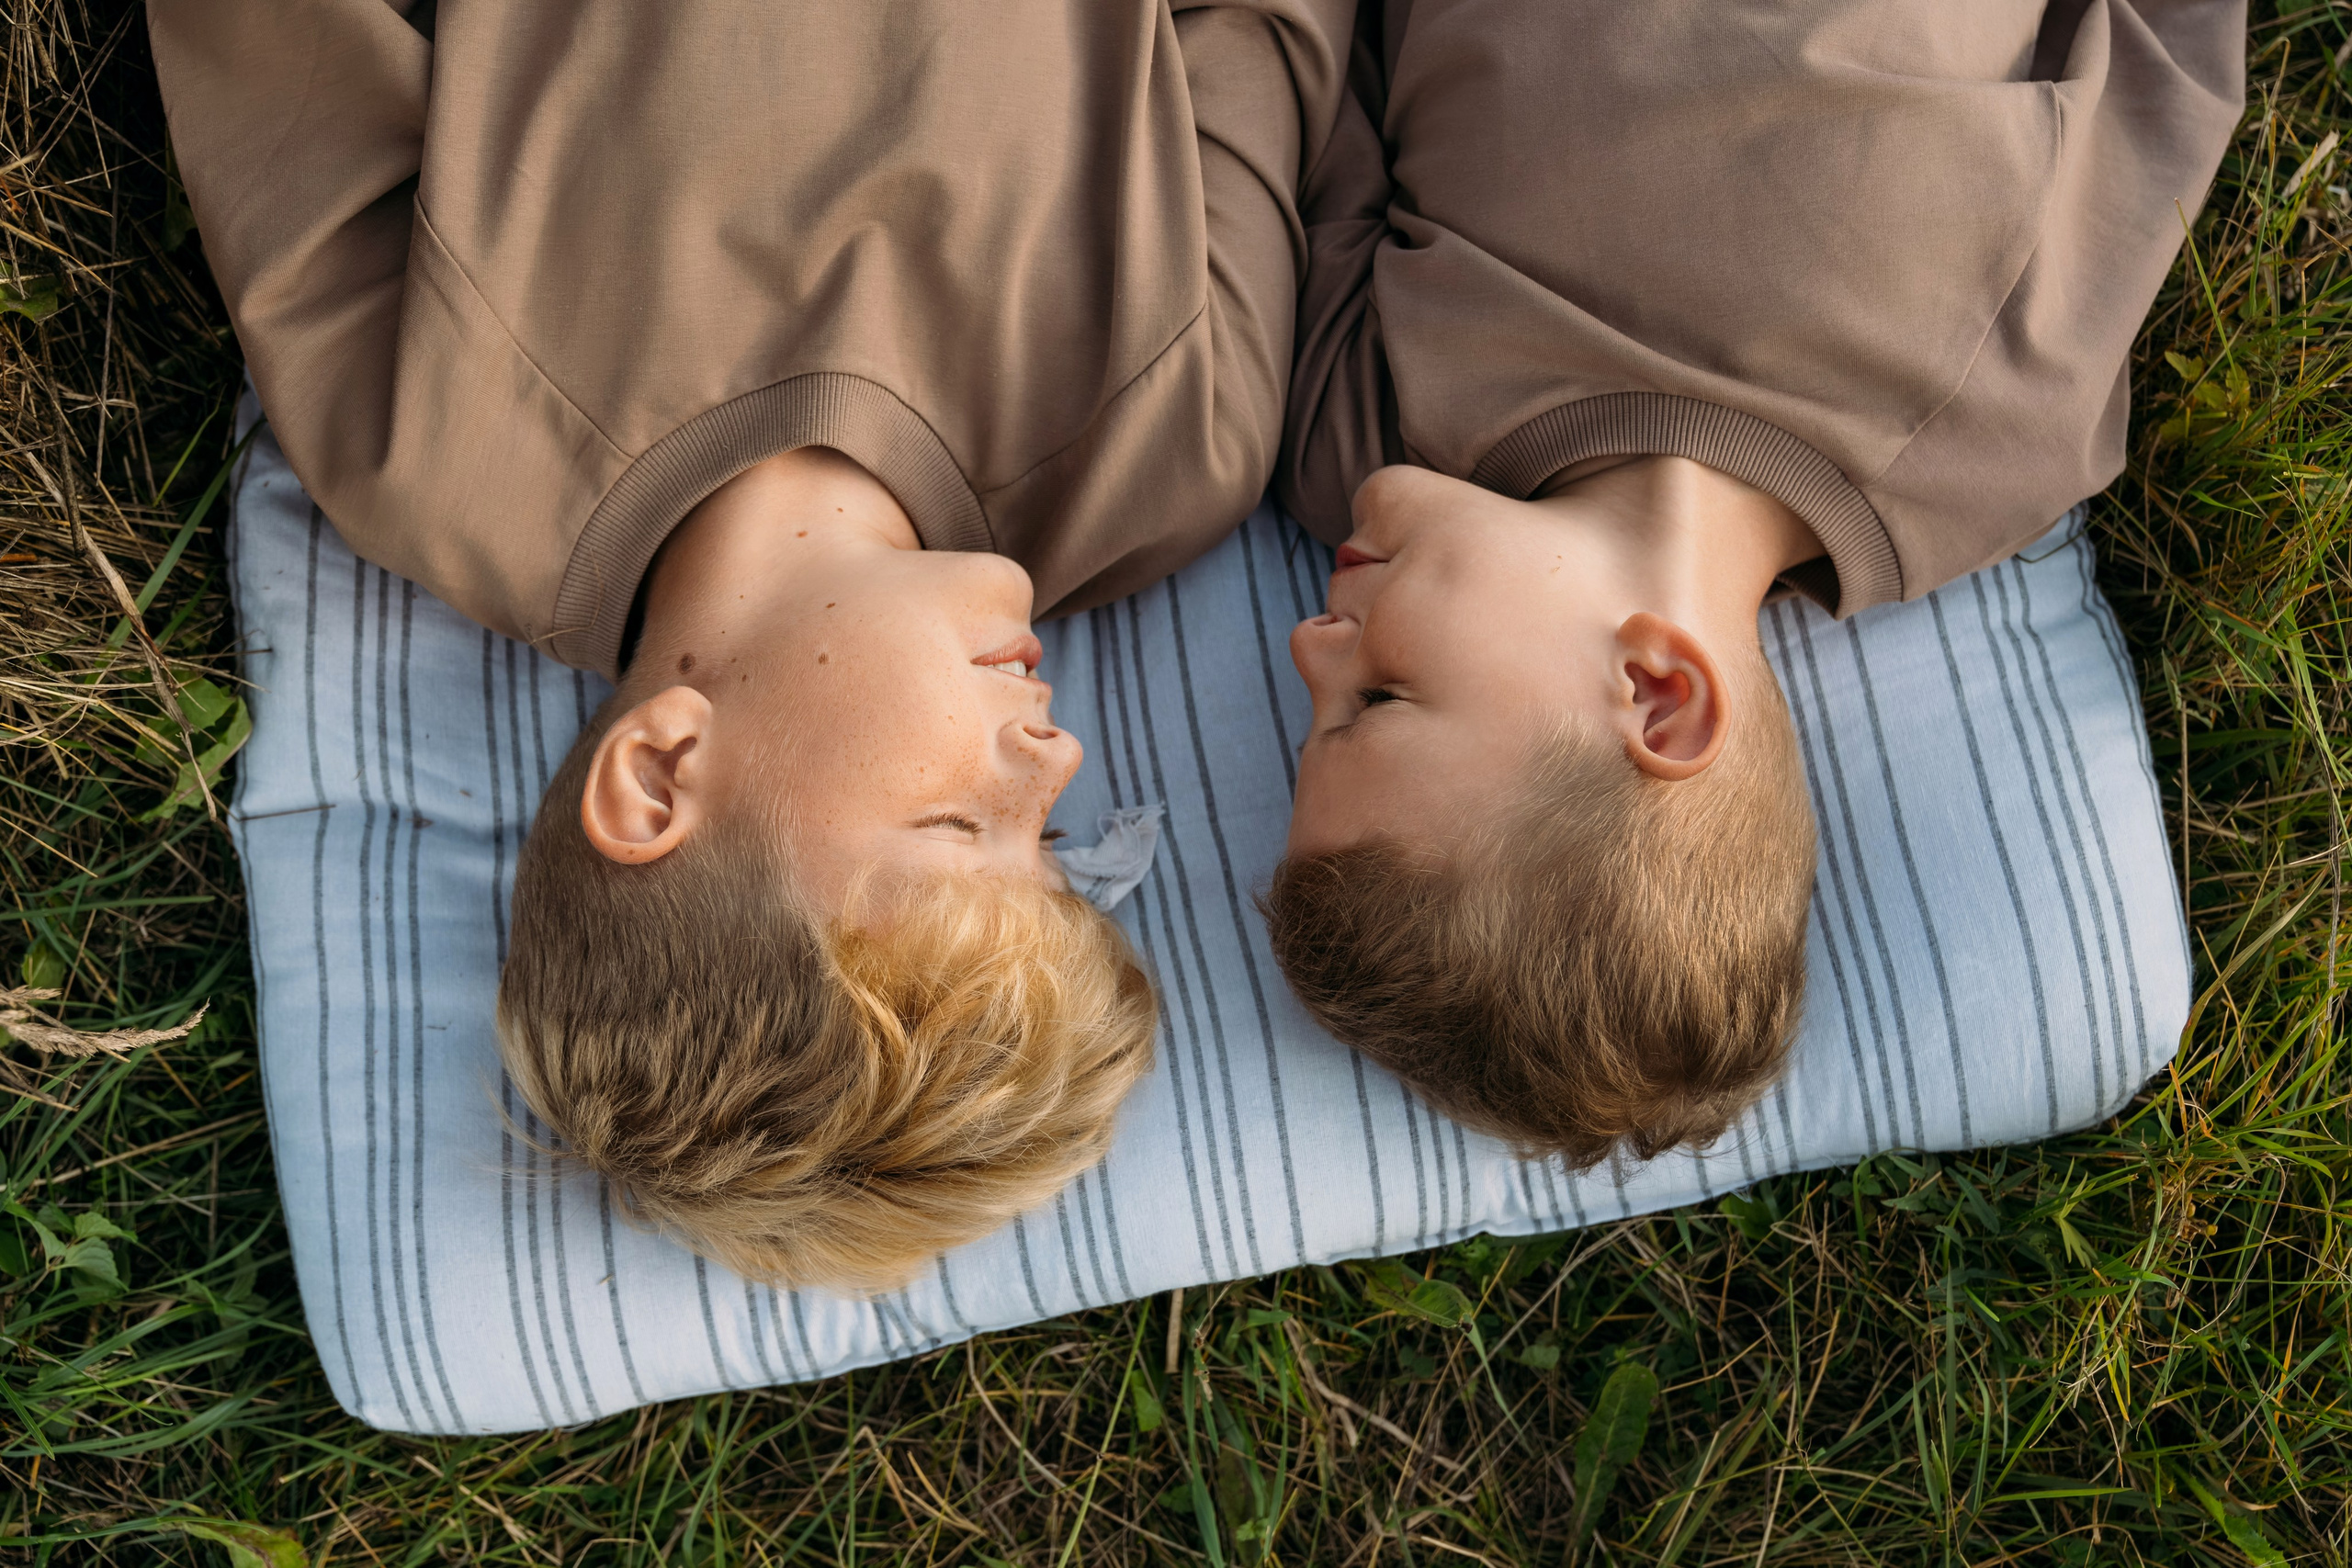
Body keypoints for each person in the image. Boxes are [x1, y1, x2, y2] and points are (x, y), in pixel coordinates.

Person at [150, 0, 1353, 1290]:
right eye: (1050, 839)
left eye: (960, 824)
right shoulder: (1172, 447)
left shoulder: (429, 451)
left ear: (661, 772)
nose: (1051, 759)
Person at [1266, 0, 2245, 1166]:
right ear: (1656, 693)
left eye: (1311, 708)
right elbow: (2156, 77)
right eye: (1375, 701)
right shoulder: (1988, 431)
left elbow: (1302, 82)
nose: (1310, 647)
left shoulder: (1355, 438)